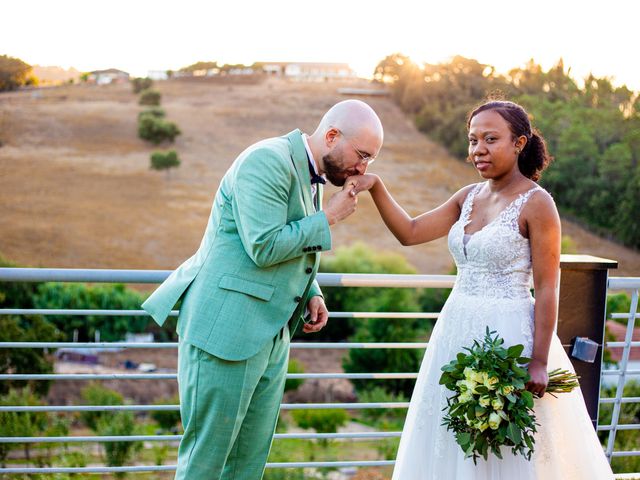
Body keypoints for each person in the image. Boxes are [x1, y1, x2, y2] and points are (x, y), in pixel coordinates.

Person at [348, 100, 613, 479]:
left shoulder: (538, 204)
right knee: (452, 439)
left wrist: (538, 360)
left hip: (509, 339)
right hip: (455, 331)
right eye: (473, 140)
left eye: (490, 139)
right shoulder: (467, 196)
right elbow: (410, 232)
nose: (478, 150)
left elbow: (548, 287)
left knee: (505, 446)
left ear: (519, 142)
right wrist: (376, 186)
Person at [142, 99, 384, 480]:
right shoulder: (266, 160)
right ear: (332, 135)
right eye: (362, 155)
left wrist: (312, 291)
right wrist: (330, 217)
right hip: (225, 332)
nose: (362, 167)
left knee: (246, 466)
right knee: (206, 463)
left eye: (370, 160)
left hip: (270, 336)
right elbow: (264, 245)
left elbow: (290, 240)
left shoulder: (310, 173)